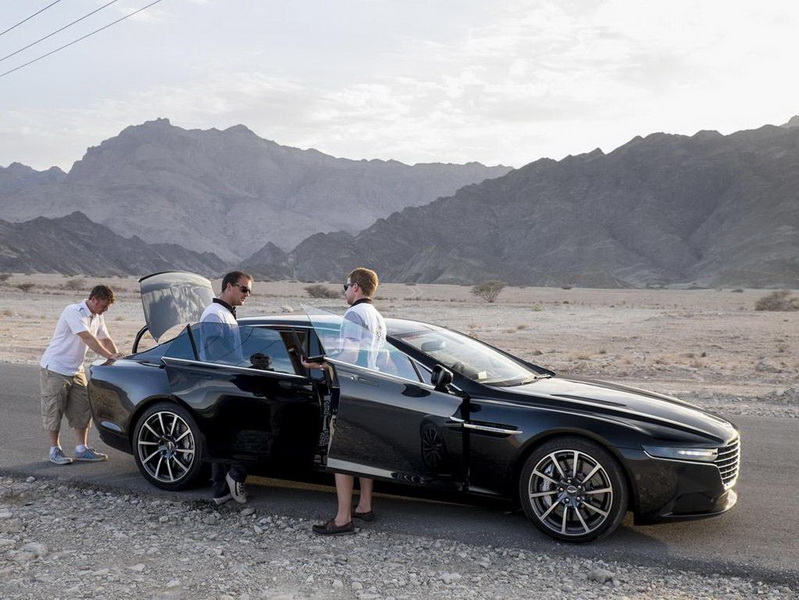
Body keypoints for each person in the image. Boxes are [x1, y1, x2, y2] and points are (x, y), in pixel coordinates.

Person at [309, 267, 387, 535]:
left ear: (356, 287)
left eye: (346, 286)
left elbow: (350, 356)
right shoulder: (377, 316)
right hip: (371, 389)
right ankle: (364, 506)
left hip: (351, 389)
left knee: (341, 454)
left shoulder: (353, 313)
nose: (344, 291)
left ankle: (343, 518)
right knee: (364, 452)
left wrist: (321, 364)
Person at [40, 284, 122, 465]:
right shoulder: (73, 311)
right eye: (103, 306)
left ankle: (81, 449)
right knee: (54, 409)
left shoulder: (97, 316)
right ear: (94, 300)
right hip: (56, 368)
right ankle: (55, 450)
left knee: (82, 409)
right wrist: (108, 356)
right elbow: (87, 337)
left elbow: (106, 339)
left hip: (76, 370)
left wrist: (117, 359)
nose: (105, 310)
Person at [200, 270, 254, 505]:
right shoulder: (215, 315)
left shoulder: (225, 313)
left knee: (222, 436)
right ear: (229, 286)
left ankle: (221, 491)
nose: (247, 294)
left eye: (249, 291)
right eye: (244, 289)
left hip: (224, 382)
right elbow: (215, 353)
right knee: (237, 434)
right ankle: (235, 475)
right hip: (221, 382)